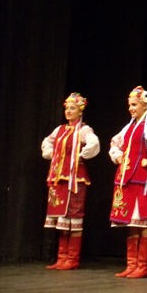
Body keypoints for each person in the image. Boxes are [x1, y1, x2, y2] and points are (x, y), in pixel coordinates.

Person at [109, 86, 147, 279]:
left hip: (142, 179)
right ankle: (132, 264)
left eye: (134, 105)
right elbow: (115, 142)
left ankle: (144, 266)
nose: (131, 108)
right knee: (131, 222)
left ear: (144, 105)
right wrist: (118, 156)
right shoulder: (129, 126)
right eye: (129, 105)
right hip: (127, 178)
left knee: (143, 222)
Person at [41, 92, 101, 270]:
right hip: (59, 179)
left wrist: (80, 155)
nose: (68, 111)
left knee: (73, 217)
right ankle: (62, 257)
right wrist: (51, 154)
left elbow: (94, 143)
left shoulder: (83, 130)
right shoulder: (59, 130)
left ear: (80, 111)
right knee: (61, 218)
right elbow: (47, 142)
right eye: (67, 108)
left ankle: (72, 258)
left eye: (72, 108)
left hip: (75, 179)